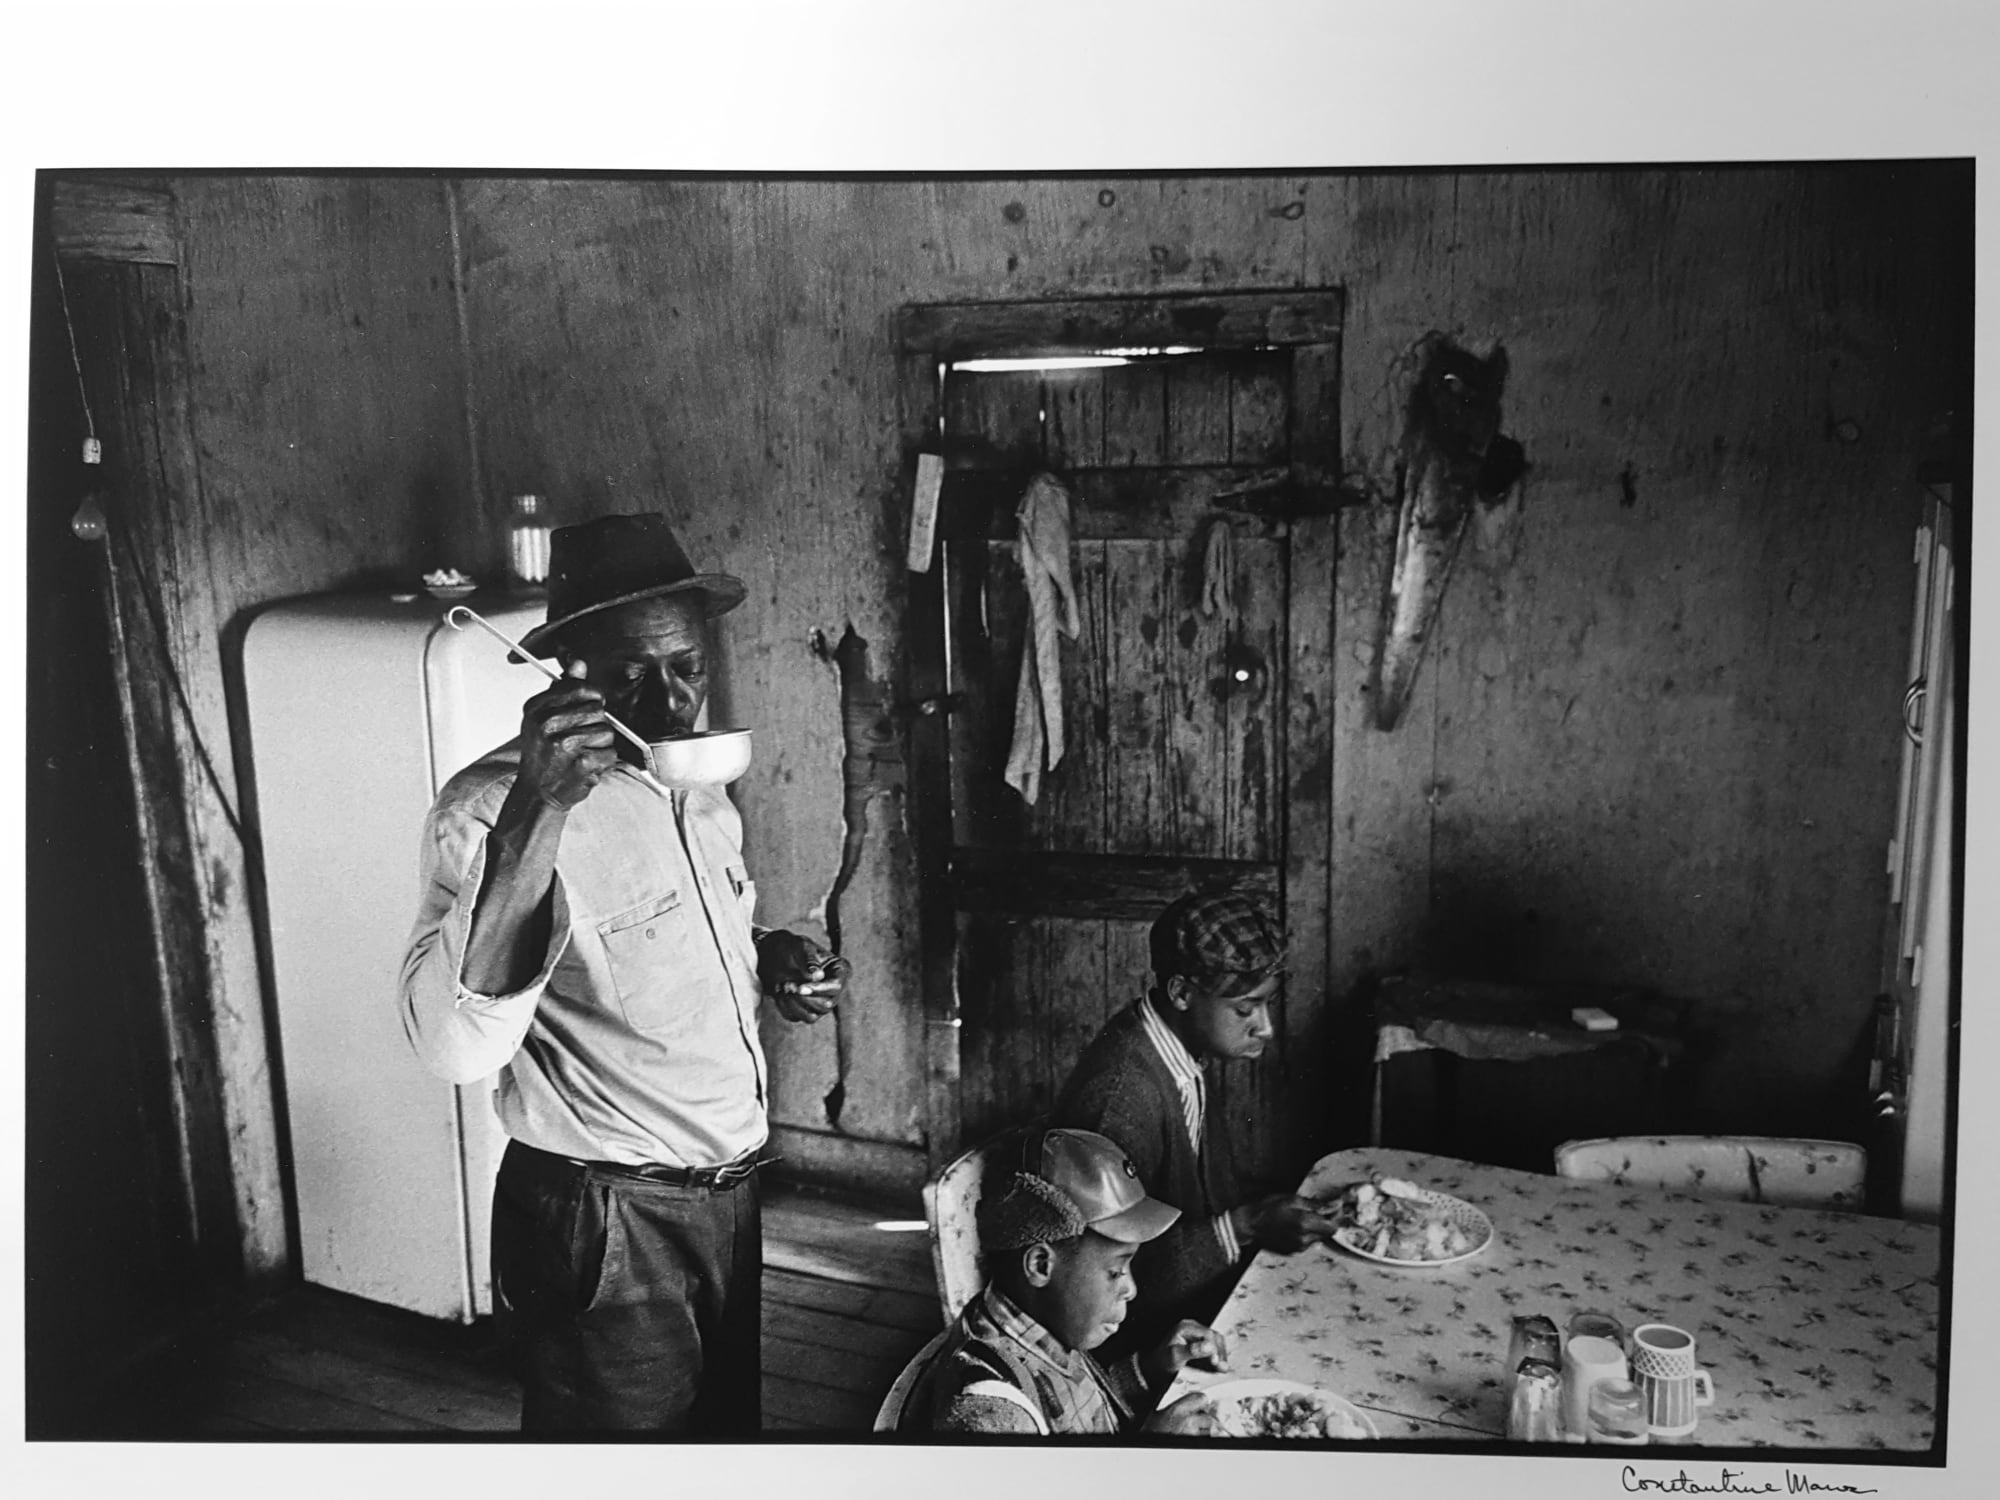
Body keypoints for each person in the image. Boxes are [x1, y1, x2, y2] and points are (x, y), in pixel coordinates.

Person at [399, 512, 847, 1434]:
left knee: (720, 1447)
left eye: (686, 667)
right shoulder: (489, 811)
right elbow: (449, 1042)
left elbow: (690, 932)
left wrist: (769, 954)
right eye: (632, 673)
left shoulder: (697, 790)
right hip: (603, 1216)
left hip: (726, 1195)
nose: (671, 701)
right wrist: (539, 807)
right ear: (567, 670)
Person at [1052, 890, 1338, 1363]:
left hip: (1194, 1302)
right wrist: (1247, 1226)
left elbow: (1201, 1200)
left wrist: (1257, 1219)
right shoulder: (1120, 1096)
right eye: (1245, 1009)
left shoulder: (1176, 1054)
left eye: (1267, 1005)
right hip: (1134, 1348)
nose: (1266, 1028)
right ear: (1182, 993)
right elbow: (1100, 1285)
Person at [882, 1127, 1227, 1436]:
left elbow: (1079, 1414)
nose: (1130, 1288)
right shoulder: (992, 1413)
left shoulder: (1042, 1327)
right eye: (1115, 1271)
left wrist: (1150, 1368)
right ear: (1041, 1264)